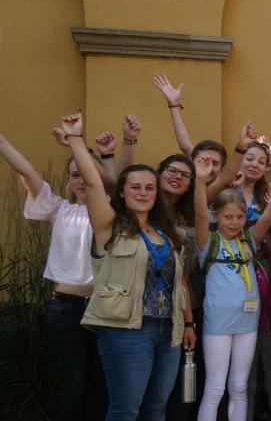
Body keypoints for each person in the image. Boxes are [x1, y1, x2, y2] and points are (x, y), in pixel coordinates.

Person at [63, 113, 195, 421]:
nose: (143, 193)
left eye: (150, 188)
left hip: (168, 331)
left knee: (156, 409)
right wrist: (75, 140)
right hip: (127, 330)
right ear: (122, 192)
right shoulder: (110, 227)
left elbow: (180, 284)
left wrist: (188, 324)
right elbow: (94, 184)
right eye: (135, 187)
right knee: (125, 411)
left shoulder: (167, 234)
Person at [1, 131, 107, 420]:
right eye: (75, 175)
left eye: (87, 173)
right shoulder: (59, 209)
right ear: (69, 179)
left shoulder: (113, 211)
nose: (81, 180)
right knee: (75, 381)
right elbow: (26, 171)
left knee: (109, 382)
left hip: (106, 308)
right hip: (66, 307)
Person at [191, 154, 271, 421]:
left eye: (238, 217)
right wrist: (200, 182)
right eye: (227, 217)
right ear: (217, 216)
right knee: (215, 387)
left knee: (239, 387)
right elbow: (199, 215)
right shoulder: (207, 242)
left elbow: (268, 217)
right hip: (218, 324)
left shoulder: (248, 240)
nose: (234, 222)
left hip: (248, 322)